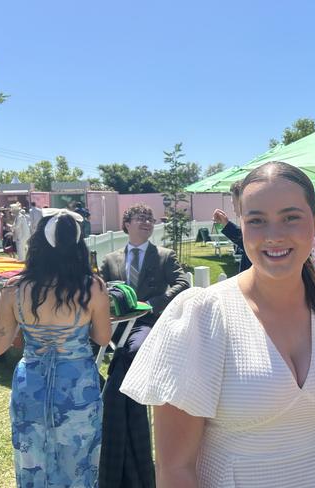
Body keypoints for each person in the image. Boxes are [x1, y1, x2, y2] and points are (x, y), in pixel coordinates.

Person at [120, 161, 315, 487]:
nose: (274, 235)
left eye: (290, 218)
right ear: (241, 226)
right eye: (257, 220)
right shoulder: (203, 315)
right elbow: (174, 468)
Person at [0, 208, 111, 486]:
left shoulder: (14, 289)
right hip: (78, 383)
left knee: (32, 458)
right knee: (78, 460)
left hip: (32, 384)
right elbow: (103, 338)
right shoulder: (93, 287)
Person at [99, 203, 190, 488]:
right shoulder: (110, 259)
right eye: (141, 218)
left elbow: (182, 282)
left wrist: (153, 304)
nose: (147, 222)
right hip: (114, 327)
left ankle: (121, 417)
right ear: (126, 224)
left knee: (130, 356)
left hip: (148, 324)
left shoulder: (164, 256)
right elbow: (100, 291)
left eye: (150, 218)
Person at [212, 180, 252, 272]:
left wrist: (226, 224)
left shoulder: (254, 225)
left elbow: (247, 243)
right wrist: (226, 223)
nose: (233, 209)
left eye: (233, 203)